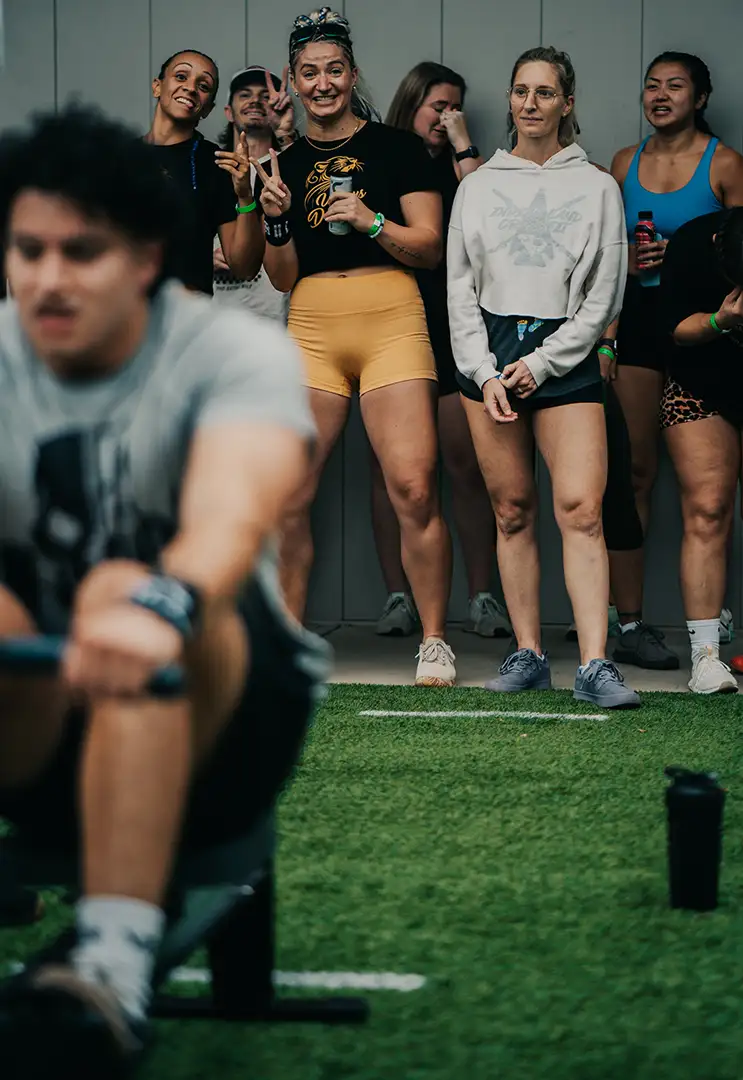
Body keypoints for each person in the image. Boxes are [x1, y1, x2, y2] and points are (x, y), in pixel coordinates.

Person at [0, 105, 329, 1076]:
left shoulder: (228, 354)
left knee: (122, 586)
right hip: (41, 730)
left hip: (220, 732)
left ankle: (110, 967)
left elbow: (230, 515)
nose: (48, 278)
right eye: (26, 251)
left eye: (81, 253)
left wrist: (160, 606)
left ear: (145, 257)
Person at [253, 8, 456, 687]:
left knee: (413, 486)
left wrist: (371, 219)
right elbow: (281, 275)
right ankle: (285, 641)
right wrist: (277, 219)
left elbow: (427, 248)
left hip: (391, 316)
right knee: (288, 495)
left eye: (333, 70)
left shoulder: (397, 149)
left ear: (352, 73)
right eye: (308, 73)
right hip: (312, 322)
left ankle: (432, 641)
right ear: (293, 80)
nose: (322, 83)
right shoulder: (280, 162)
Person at [448, 45, 640, 708]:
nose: (530, 103)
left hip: (564, 355)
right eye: (520, 91)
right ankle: (528, 654)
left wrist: (541, 362)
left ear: (567, 103)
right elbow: (458, 289)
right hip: (490, 359)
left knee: (581, 509)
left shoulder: (595, 187)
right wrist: (482, 370)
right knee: (511, 510)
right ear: (510, 99)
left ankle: (593, 664)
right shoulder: (475, 186)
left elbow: (603, 298)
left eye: (545, 92)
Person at [369, 62, 510, 640]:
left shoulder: (465, 169)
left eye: (456, 107)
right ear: (412, 103)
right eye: (438, 106)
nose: (448, 116)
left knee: (466, 465)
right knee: (393, 473)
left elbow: (490, 231)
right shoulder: (383, 156)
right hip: (393, 324)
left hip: (455, 330)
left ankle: (482, 597)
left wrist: (463, 144)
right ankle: (397, 597)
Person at [609, 52, 743, 651]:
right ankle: (628, 619)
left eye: (676, 86)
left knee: (711, 488)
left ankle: (714, 616)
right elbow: (605, 255)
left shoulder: (726, 164)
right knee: (635, 470)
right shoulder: (622, 164)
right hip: (640, 324)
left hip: (707, 333)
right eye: (652, 85)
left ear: (701, 97)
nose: (660, 95)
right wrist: (628, 266)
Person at [660, 206, 743, 693]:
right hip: (699, 382)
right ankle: (706, 657)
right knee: (708, 509)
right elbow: (675, 328)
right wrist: (722, 318)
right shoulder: (694, 242)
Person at [145, 49, 264, 295]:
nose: (190, 88)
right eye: (180, 76)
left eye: (203, 85)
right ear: (157, 87)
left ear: (207, 108)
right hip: (125, 320)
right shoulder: (122, 158)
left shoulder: (217, 164)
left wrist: (245, 196)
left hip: (187, 320)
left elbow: (244, 268)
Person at [213, 65, 297, 320]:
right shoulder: (213, 169)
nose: (255, 102)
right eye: (245, 95)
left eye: (264, 95)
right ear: (228, 111)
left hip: (279, 319)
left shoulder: (292, 164)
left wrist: (287, 135)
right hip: (220, 318)